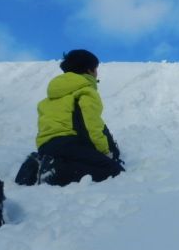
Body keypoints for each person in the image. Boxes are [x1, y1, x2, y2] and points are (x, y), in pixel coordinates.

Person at [34, 49, 123, 186]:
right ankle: (57, 171)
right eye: (96, 69)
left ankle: (38, 165)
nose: (97, 73)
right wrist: (105, 152)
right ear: (89, 70)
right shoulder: (86, 92)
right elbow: (92, 126)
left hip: (46, 147)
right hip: (71, 144)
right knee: (114, 170)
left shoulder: (50, 97)